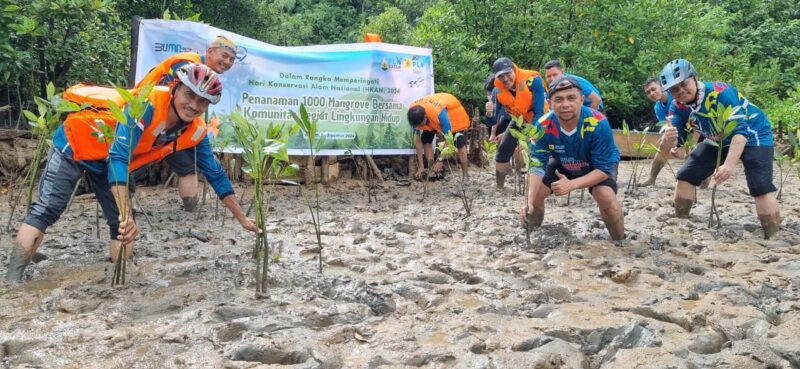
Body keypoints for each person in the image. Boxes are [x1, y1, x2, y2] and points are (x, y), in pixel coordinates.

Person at [5, 63, 257, 282]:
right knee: (49, 209)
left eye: (202, 101)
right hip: (76, 146)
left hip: (111, 164)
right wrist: (125, 211)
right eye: (189, 94)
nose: (193, 105)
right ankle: (13, 281)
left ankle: (119, 282)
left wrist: (242, 218)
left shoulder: (195, 131)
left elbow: (214, 173)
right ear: (175, 89)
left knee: (123, 226)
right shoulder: (145, 106)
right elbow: (118, 155)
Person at [659, 59, 780, 238]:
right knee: (685, 175)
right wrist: (669, 142)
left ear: (694, 78)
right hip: (717, 137)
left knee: (760, 185)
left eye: (683, 84)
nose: (681, 91)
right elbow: (678, 146)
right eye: (674, 89)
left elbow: (740, 132)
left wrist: (728, 165)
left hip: (754, 134)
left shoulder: (720, 92)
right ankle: (681, 220)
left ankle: (773, 234)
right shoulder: (677, 106)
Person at [135, 35, 238, 212]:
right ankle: (122, 209)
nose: (227, 62)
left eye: (232, 60)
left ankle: (192, 210)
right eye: (224, 55)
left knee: (190, 167)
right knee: (134, 159)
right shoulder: (187, 64)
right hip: (147, 120)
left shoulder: (207, 77)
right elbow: (168, 100)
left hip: (179, 129)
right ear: (210, 52)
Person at [520, 76, 624, 241]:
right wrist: (530, 202)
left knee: (604, 194)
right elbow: (536, 165)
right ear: (549, 103)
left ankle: (620, 242)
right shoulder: (542, 125)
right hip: (563, 161)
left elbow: (603, 170)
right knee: (536, 194)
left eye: (571, 98)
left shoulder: (598, 122)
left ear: (582, 100)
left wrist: (572, 184)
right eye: (559, 100)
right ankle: (532, 238)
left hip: (595, 165)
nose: (565, 105)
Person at [490, 57, 548, 188]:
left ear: (514, 69)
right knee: (503, 151)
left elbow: (539, 112)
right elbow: (493, 120)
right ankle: (500, 187)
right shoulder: (497, 90)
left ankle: (543, 186)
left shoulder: (533, 81)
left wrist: (529, 136)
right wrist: (488, 113)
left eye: (508, 74)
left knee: (539, 152)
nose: (505, 79)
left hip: (540, 119)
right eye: (501, 76)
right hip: (519, 119)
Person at [407, 93, 470, 179]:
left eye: (421, 125)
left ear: (425, 117)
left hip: (453, 115)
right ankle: (432, 169)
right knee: (425, 140)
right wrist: (421, 166)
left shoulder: (440, 115)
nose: (420, 128)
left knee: (459, 143)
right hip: (432, 116)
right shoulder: (414, 116)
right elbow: (418, 142)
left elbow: (449, 140)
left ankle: (465, 175)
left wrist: (440, 160)